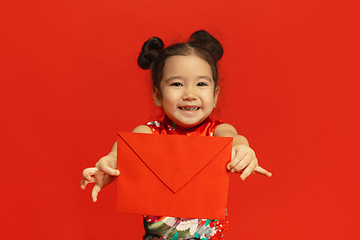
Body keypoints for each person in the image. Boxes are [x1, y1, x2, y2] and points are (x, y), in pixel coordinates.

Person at [80, 30, 272, 239]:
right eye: (177, 84)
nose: (189, 94)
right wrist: (110, 163)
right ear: (157, 95)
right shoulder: (150, 132)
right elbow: (123, 151)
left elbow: (234, 138)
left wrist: (243, 149)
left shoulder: (216, 131)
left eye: (201, 84)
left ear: (215, 95)